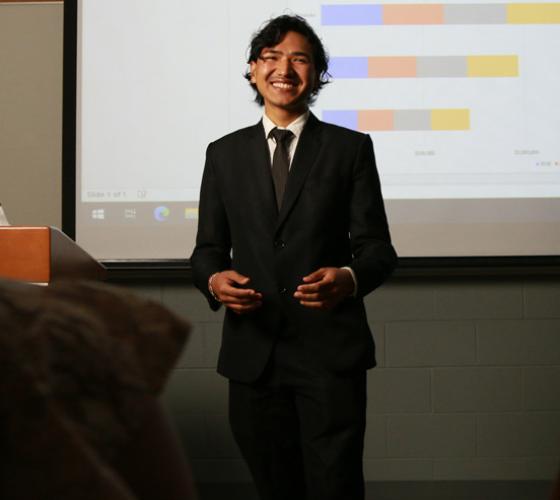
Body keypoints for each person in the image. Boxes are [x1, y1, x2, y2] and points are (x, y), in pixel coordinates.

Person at [190, 14, 397, 500]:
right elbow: (206, 251)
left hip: (329, 353)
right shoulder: (223, 154)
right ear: (252, 69)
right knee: (274, 486)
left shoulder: (350, 149)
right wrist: (214, 280)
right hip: (253, 352)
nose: (285, 68)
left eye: (300, 59)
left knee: (335, 485)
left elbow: (378, 250)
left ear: (317, 75)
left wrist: (348, 277)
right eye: (272, 56)